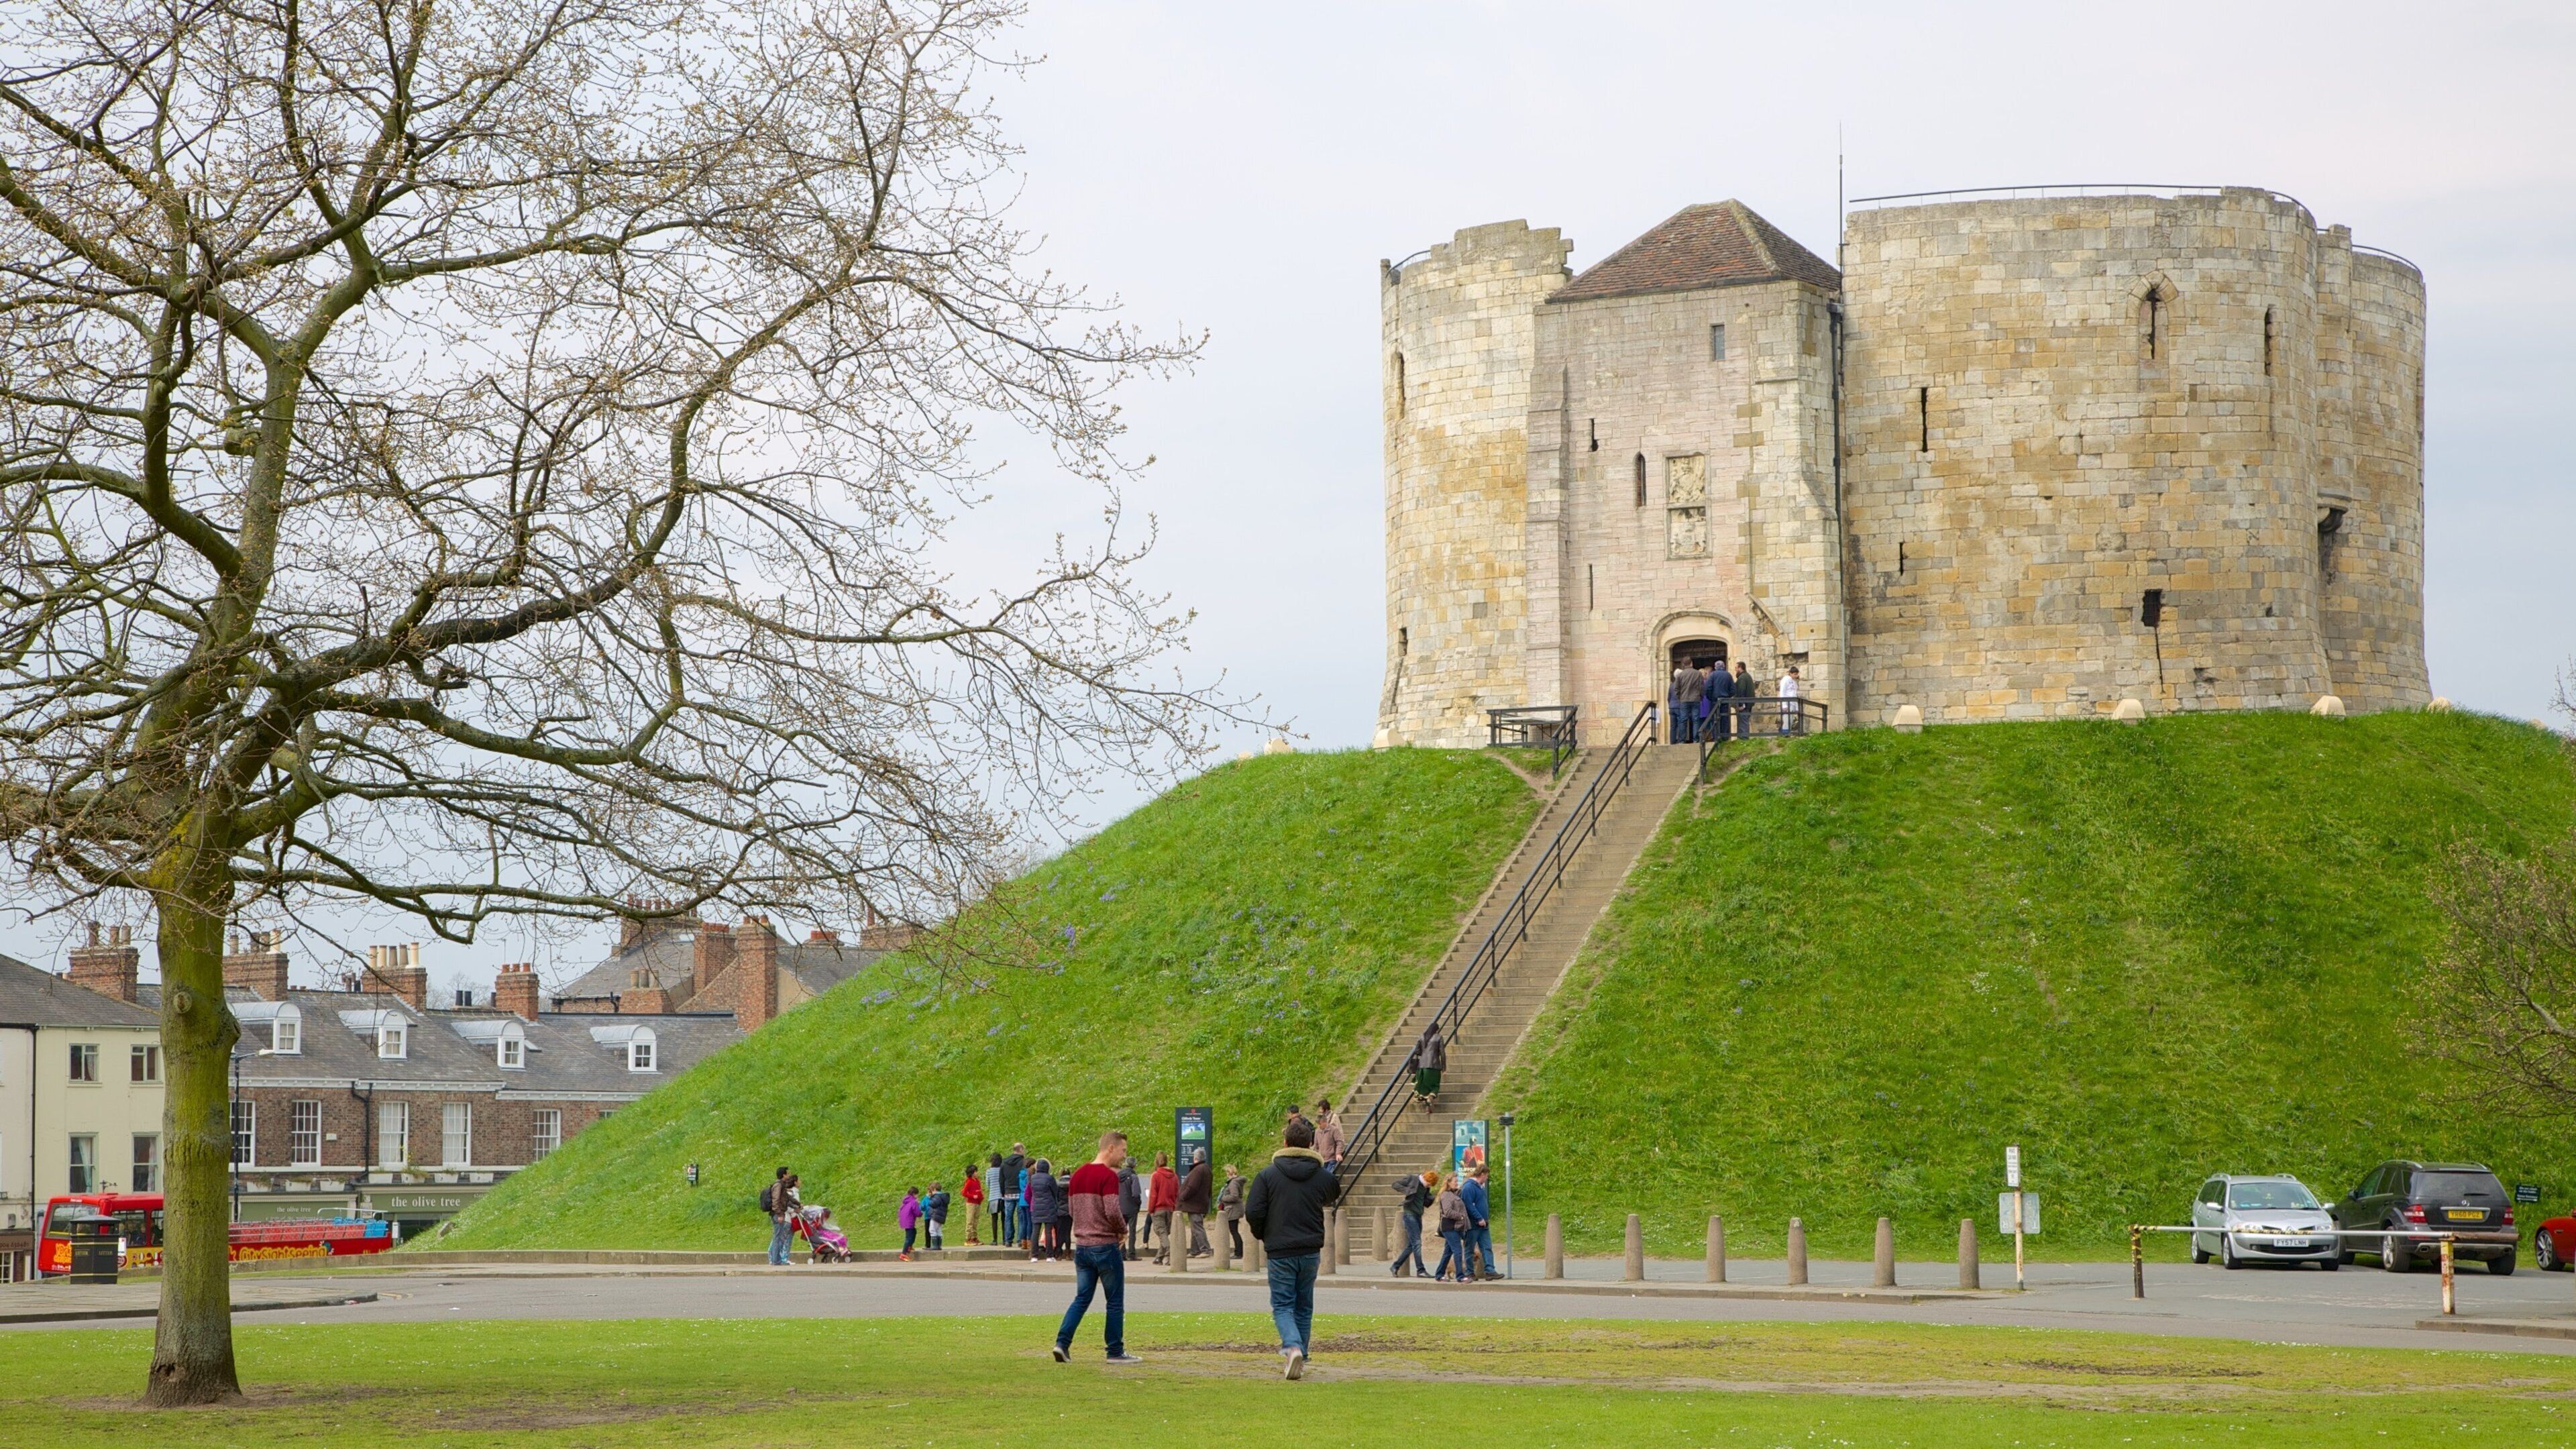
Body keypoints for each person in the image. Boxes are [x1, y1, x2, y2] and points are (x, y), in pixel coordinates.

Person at [1246, 1116, 1342, 1380]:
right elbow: (1334, 1190)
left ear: (1285, 1142)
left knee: (1283, 1305)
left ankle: (1292, 1346)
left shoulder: (1268, 1175)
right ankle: (1303, 1353)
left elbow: (1254, 1210)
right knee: (1304, 1304)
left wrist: (1262, 1234)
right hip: (1310, 1248)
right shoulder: (1320, 1175)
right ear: (1310, 1144)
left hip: (1280, 1248)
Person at [1053, 1130, 1143, 1365]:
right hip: (1104, 1245)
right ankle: (1115, 1350)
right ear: (1111, 1148)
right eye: (1123, 1151)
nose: (1124, 1156)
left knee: (1082, 1298)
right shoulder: (1108, 1176)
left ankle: (1062, 1343)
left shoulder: (1079, 1175)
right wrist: (1122, 1230)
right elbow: (1113, 1209)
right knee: (1114, 1301)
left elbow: (1072, 1211)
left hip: (1082, 1247)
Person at [1393, 1169, 1436, 1278]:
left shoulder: (1426, 1187)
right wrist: (1408, 1191)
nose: (1428, 1186)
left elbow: (1425, 1199)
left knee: (1412, 1245)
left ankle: (1395, 1266)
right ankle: (1420, 1270)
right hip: (1409, 1214)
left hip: (1418, 1215)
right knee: (1417, 1243)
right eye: (1428, 1183)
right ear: (1425, 1178)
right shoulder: (1412, 1179)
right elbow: (1395, 1184)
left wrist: (1431, 1199)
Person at [1433, 1173, 1470, 1282]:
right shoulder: (1446, 1195)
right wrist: (1461, 1217)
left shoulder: (1453, 1194)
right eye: (1455, 1181)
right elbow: (1448, 1211)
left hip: (1454, 1227)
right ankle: (1460, 1276)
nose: (1457, 1183)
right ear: (1448, 1183)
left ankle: (1439, 1275)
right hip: (1449, 1227)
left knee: (1448, 1252)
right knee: (1457, 1250)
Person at [1462, 1166, 1499, 1279]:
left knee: (1487, 1247)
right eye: (1487, 1175)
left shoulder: (1480, 1187)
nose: (1487, 1178)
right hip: (1473, 1224)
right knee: (1470, 1248)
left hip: (1484, 1224)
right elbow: (1468, 1205)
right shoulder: (1469, 1187)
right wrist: (1479, 1218)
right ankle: (1469, 1272)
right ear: (1482, 1174)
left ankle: (1490, 1270)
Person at [1177, 1148, 1214, 1258]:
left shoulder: (1198, 1170)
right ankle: (1195, 1250)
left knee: (1197, 1227)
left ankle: (1205, 1249)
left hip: (1195, 1204)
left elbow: (1192, 1187)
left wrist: (1182, 1196)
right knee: (1195, 1227)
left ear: (1195, 1158)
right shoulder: (1206, 1169)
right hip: (1201, 1203)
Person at [1023, 1159, 1060, 1262]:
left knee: (1035, 1232)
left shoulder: (1032, 1179)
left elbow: (1030, 1192)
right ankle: (1049, 1256)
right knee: (1048, 1232)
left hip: (1036, 1207)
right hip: (1048, 1207)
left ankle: (1034, 1256)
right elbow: (1055, 1192)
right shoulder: (1050, 1178)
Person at [1147, 1152, 1180, 1264]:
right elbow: (1176, 1194)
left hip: (1158, 1208)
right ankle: (1159, 1257)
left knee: (1161, 1232)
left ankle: (1170, 1252)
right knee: (1165, 1233)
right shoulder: (1174, 1176)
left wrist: (1150, 1209)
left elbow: (1153, 1195)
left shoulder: (1156, 1176)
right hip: (1170, 1209)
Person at [763, 1166, 794, 1266]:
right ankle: (775, 1260)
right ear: (783, 1175)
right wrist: (780, 1214)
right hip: (777, 1215)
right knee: (777, 1237)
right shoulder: (778, 1186)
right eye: (787, 1174)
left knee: (779, 1238)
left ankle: (777, 1259)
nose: (789, 1175)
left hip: (779, 1214)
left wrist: (797, 1205)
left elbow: (787, 1198)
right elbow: (776, 1201)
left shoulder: (782, 1186)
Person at [1117, 1151, 1146, 1260]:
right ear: (1134, 1165)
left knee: (1121, 1231)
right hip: (1131, 1208)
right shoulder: (1133, 1176)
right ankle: (1132, 1253)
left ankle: (1122, 1253)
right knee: (1132, 1231)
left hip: (1120, 1207)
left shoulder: (1118, 1176)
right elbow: (1136, 1193)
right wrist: (1138, 1204)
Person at [1216, 1163, 1248, 1257]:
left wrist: (1223, 1198)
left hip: (1233, 1209)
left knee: (1234, 1230)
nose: (1226, 1174)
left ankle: (1239, 1252)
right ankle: (1239, 1251)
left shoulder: (1233, 1183)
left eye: (1227, 1172)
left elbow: (1234, 1196)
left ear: (1230, 1172)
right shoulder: (1236, 1182)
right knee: (1234, 1230)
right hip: (1235, 1208)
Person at [1411, 1024, 1446, 1108]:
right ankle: (1431, 1098)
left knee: (1424, 1087)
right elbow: (1442, 1053)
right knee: (1435, 1085)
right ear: (1436, 1030)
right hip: (1434, 1066)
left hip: (1422, 1067)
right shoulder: (1439, 1037)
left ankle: (1427, 1108)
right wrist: (1444, 1067)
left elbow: (1417, 1051)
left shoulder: (1422, 1036)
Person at [1313, 1098, 1346, 1175]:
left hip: (1332, 1154)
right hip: (1323, 1157)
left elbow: (1339, 1138)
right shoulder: (1318, 1131)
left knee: (1328, 1175)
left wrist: (1338, 1153)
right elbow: (1316, 1145)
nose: (1320, 1110)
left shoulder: (1333, 1119)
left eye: (1321, 1108)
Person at [1705, 656, 1734, 741]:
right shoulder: (1728, 675)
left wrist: (1711, 698)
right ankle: (1725, 737)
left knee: (1715, 719)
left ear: (1715, 667)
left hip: (1715, 701)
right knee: (1725, 718)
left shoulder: (1712, 675)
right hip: (1725, 700)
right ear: (1724, 667)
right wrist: (1728, 696)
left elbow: (1708, 688)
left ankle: (1716, 737)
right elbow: (1733, 689)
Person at [983, 1152, 1006, 1245]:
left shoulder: (989, 1171)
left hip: (993, 1197)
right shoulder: (1003, 1170)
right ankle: (1005, 1239)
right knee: (1004, 1219)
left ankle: (995, 1239)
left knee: (994, 1219)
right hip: (1003, 1196)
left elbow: (987, 1184)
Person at [961, 1164, 985, 1245]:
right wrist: (972, 1196)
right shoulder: (969, 1181)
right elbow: (964, 1192)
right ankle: (968, 1238)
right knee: (970, 1220)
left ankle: (974, 1237)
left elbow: (979, 1190)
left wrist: (981, 1197)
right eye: (975, 1172)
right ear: (972, 1173)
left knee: (976, 1221)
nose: (977, 1173)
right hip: (971, 1203)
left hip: (978, 1203)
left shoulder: (977, 1181)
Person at [1733, 661, 1757, 737]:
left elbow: (1741, 691)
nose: (1735, 670)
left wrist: (1741, 705)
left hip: (1744, 704)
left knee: (1743, 723)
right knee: (1744, 722)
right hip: (1748, 703)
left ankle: (1744, 740)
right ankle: (1743, 739)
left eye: (1736, 668)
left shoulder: (1742, 678)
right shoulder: (1747, 676)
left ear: (1740, 668)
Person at [924, 1181, 949, 1252]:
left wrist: (929, 1199)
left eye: (931, 1191)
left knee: (932, 1229)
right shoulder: (943, 1197)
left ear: (934, 1189)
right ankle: (938, 1245)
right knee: (938, 1230)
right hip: (940, 1216)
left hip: (935, 1216)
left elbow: (933, 1204)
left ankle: (935, 1245)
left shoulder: (937, 1197)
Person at [898, 1187, 922, 1261]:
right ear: (914, 1194)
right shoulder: (914, 1202)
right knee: (909, 1237)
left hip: (905, 1221)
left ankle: (909, 1246)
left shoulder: (905, 1201)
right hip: (909, 1221)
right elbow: (917, 1213)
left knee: (914, 1232)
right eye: (917, 1195)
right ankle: (903, 1254)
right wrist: (920, 1209)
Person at [1780, 664, 1803, 735]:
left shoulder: (1794, 682)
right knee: (1786, 719)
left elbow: (1794, 694)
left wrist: (1796, 707)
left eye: (1797, 674)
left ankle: (1788, 733)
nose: (1796, 676)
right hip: (1787, 702)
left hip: (1792, 703)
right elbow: (1782, 691)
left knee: (1791, 719)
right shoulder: (1785, 680)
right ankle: (1785, 734)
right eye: (1795, 674)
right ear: (1790, 673)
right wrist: (1784, 705)